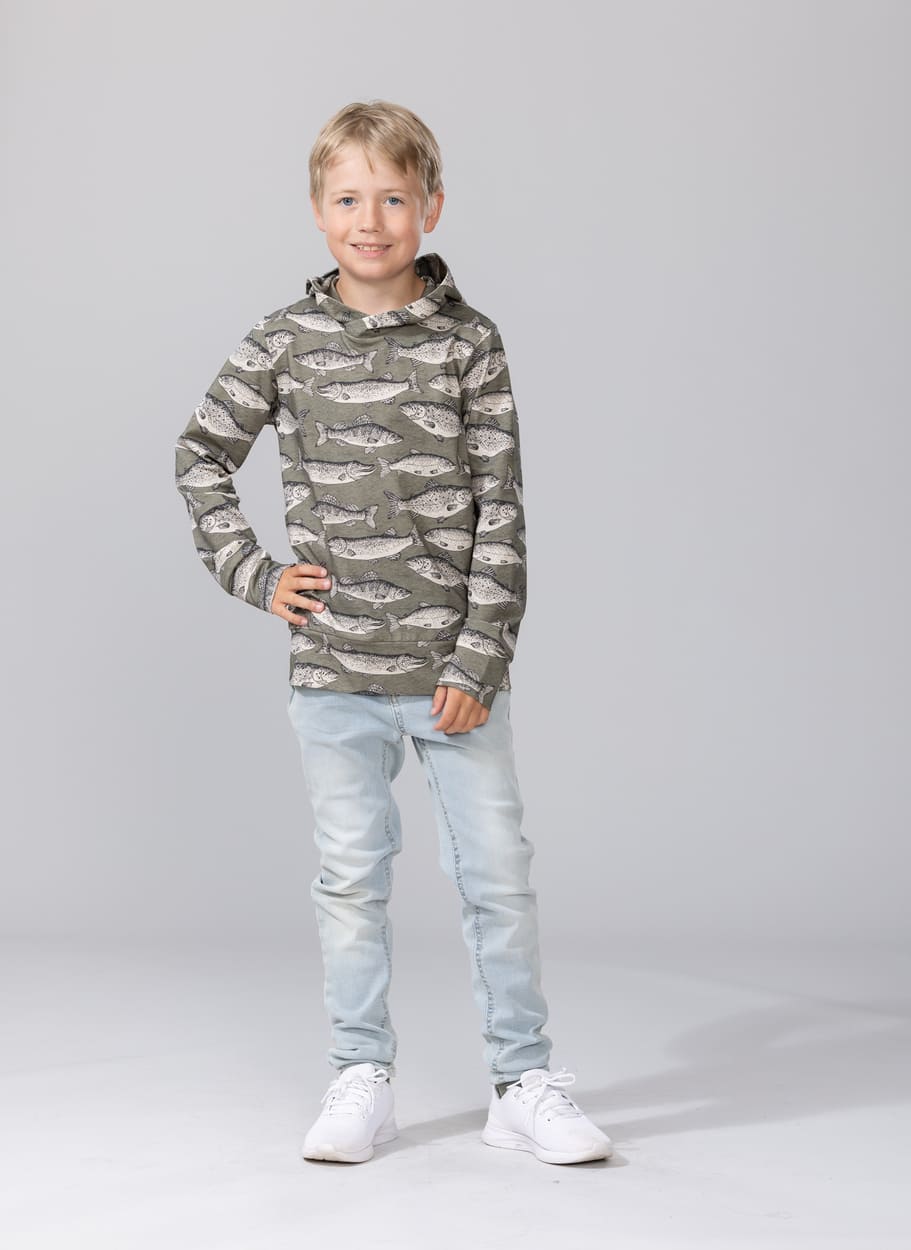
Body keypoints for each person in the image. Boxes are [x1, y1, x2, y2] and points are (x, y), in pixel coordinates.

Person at [173, 99, 613, 1167]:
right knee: (349, 881)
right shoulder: (283, 340)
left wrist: (480, 656)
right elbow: (200, 456)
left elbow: (501, 508)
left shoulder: (470, 342)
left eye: (392, 198)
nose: (369, 220)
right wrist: (253, 573)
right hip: (333, 671)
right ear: (317, 208)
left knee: (497, 877)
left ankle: (520, 1081)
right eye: (347, 199)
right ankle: (359, 1073)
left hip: (455, 675)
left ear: (431, 207)